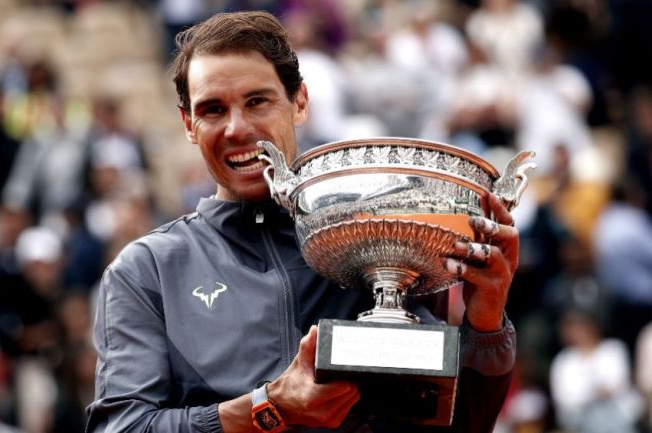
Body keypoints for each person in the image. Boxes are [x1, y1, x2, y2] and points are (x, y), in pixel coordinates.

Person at [87, 11, 518, 433]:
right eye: (213, 109)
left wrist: (486, 323)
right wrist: (267, 408)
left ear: (300, 102)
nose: (237, 128)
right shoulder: (148, 270)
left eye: (257, 101)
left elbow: (461, 424)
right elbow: (122, 427)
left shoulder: (382, 237)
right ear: (188, 124)